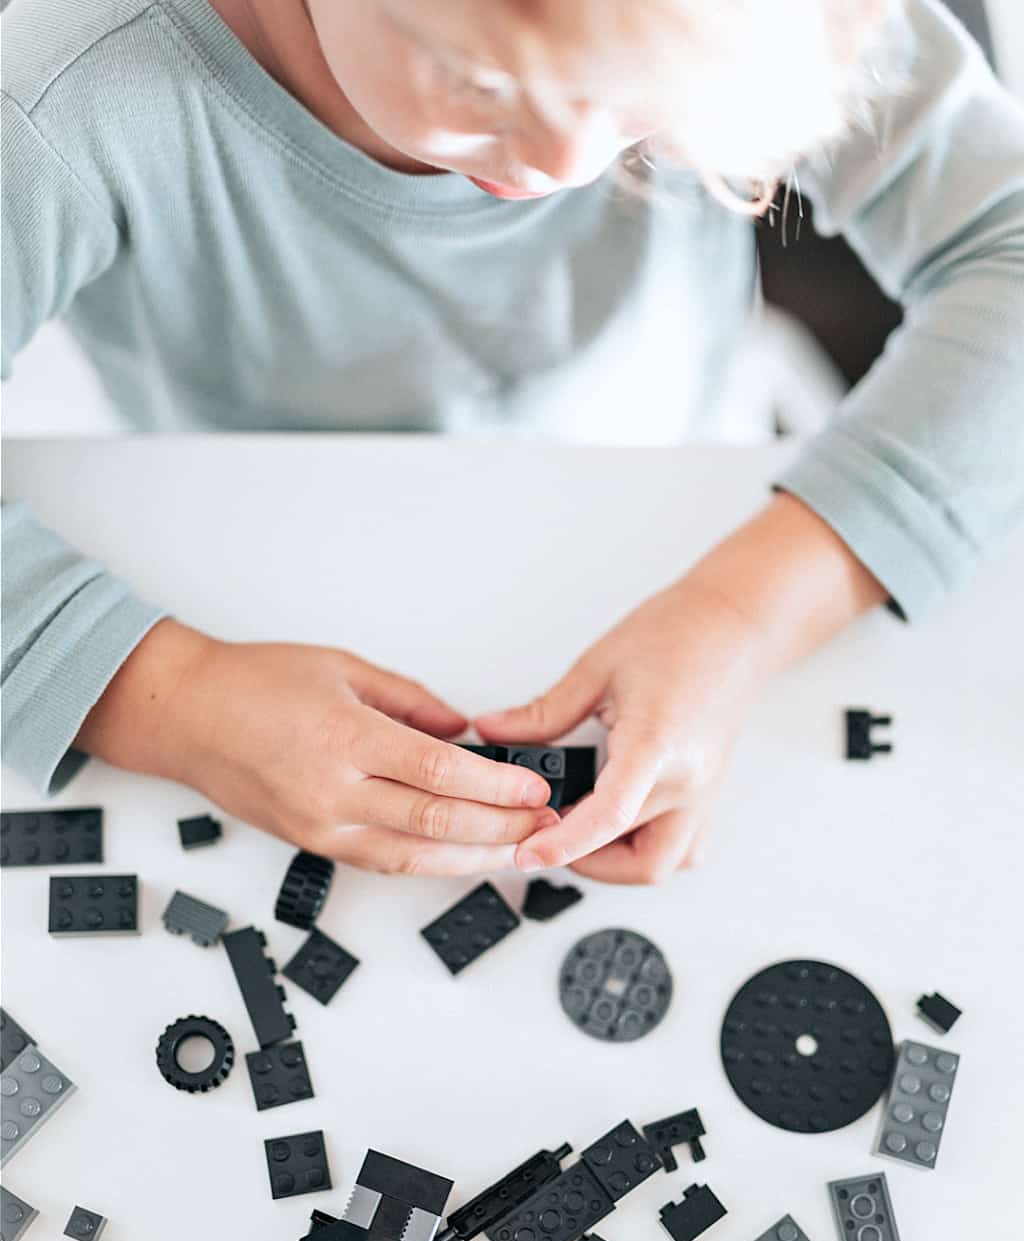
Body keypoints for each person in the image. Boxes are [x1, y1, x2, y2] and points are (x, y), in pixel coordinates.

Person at [3, 0, 1022, 884]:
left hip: (676, 500)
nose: (566, 162)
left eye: (642, 102)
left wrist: (745, 612)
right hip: (257, 555)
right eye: (478, 80)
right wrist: (171, 701)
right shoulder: (66, 94)